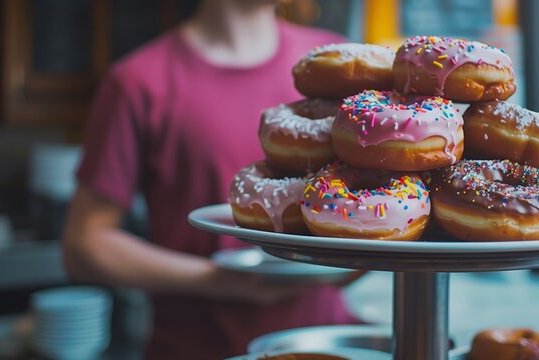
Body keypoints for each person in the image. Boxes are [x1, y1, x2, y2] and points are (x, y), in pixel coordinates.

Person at [63, 0, 356, 359]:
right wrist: (214, 280)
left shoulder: (333, 67)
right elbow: (84, 244)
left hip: (322, 344)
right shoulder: (138, 81)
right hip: (197, 346)